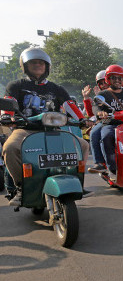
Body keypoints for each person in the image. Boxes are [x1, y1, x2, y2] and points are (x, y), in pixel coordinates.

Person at [2, 47, 90, 206]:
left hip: (53, 130)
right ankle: (21, 187)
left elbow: (69, 105)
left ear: (47, 67)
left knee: (82, 145)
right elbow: (8, 103)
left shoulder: (56, 88)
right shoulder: (16, 85)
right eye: (33, 63)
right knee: (10, 147)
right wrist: (6, 115)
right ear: (25, 66)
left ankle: (77, 181)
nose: (38, 66)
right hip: (25, 129)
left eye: (41, 63)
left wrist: (83, 119)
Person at [86, 70, 111, 173]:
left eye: (105, 81)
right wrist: (86, 98)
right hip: (106, 122)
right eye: (101, 83)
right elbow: (92, 113)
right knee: (94, 133)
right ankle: (99, 162)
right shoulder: (99, 97)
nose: (103, 85)